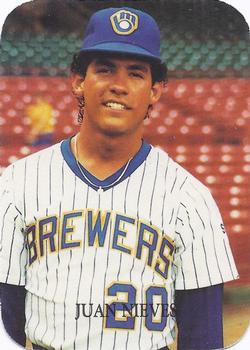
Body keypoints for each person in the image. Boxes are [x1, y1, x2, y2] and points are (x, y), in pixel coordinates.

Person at [0, 6, 239, 350]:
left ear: (156, 90)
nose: (119, 86)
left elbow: (203, 338)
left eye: (136, 73)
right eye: (105, 69)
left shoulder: (191, 198)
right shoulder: (17, 184)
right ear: (78, 81)